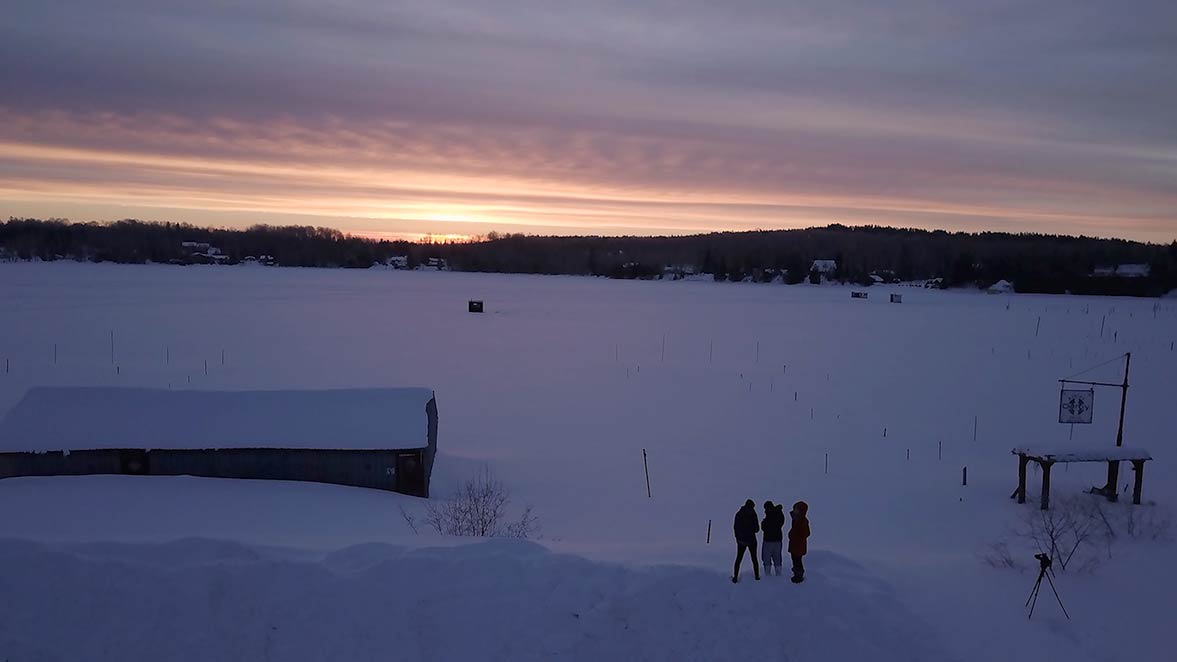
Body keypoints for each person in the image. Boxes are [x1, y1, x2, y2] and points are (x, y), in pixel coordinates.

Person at [731, 499, 760, 583]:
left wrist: (738, 538)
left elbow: (736, 528)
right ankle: (756, 576)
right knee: (753, 559)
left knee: (740, 559)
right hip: (750, 541)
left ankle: (736, 577)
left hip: (743, 541)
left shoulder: (739, 514)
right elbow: (757, 529)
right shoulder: (752, 514)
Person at [787, 501, 810, 583]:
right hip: (795, 545)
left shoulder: (802, 521)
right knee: (795, 559)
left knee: (797, 560)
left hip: (798, 546)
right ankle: (797, 573)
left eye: (797, 509)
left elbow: (806, 533)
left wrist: (794, 535)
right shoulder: (797, 519)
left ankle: (798, 575)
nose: (795, 511)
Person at [761, 501, 785, 576]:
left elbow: (764, 527)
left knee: (766, 558)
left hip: (768, 540)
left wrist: (763, 522)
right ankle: (778, 574)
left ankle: (767, 575)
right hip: (778, 539)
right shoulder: (779, 514)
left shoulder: (768, 516)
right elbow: (781, 522)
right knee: (777, 558)